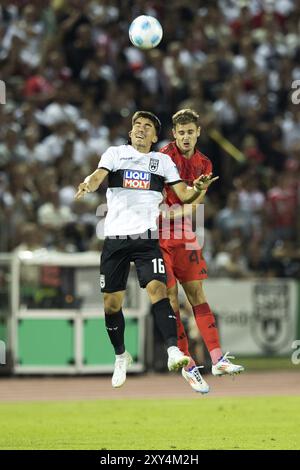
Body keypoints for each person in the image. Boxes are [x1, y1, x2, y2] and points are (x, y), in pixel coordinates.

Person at [75, 110, 218, 388]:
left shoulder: (162, 161)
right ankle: (121, 356)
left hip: (147, 239)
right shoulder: (115, 154)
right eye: (137, 125)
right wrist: (88, 184)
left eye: (147, 126)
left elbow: (186, 196)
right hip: (116, 239)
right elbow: (97, 176)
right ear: (131, 133)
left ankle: (172, 350)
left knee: (158, 291)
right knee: (112, 304)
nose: (141, 129)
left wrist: (198, 187)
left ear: (155, 136)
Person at [159, 108, 244, 394]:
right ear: (174, 134)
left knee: (197, 295)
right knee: (171, 300)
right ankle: (189, 366)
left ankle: (218, 358)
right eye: (180, 132)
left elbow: (196, 204)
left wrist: (192, 196)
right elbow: (155, 196)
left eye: (190, 132)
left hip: (185, 234)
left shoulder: (204, 164)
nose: (185, 137)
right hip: (158, 236)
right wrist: (169, 213)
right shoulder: (161, 158)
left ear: (198, 133)